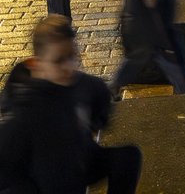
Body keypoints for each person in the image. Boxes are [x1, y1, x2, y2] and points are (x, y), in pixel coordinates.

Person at [0, 16, 142, 193]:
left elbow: (98, 94)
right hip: (44, 181)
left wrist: (91, 126)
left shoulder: (81, 84)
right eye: (59, 61)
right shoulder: (23, 111)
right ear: (37, 64)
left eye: (72, 57)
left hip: (78, 160)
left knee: (127, 158)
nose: (69, 67)